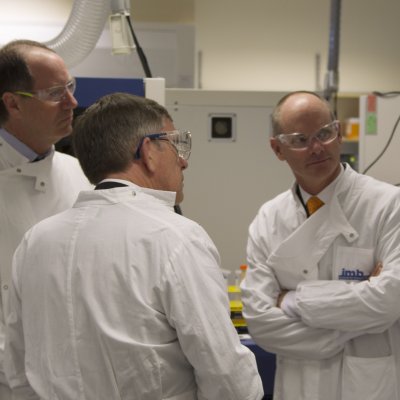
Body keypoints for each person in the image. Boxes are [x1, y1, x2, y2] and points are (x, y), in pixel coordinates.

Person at [5, 92, 264, 400]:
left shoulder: (36, 242)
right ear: (148, 151)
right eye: (175, 144)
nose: (183, 160)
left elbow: (18, 371)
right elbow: (228, 378)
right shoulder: (175, 237)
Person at [241, 90, 400, 400]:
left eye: (324, 134)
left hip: (369, 385)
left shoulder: (387, 205)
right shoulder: (270, 218)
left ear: (338, 133)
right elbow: (260, 323)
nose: (316, 148)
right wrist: (363, 315)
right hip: (299, 386)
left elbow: (392, 299)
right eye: (300, 140)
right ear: (278, 149)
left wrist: (292, 303)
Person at [0, 39, 91, 398]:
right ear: (12, 103)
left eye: (71, 87)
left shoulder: (82, 175)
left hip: (75, 378)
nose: (71, 102)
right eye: (55, 92)